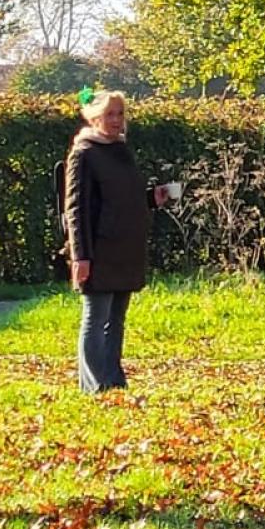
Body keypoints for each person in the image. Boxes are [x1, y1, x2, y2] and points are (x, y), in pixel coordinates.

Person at [62, 91, 175, 394]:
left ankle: (113, 381)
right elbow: (76, 208)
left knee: (116, 320)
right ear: (95, 117)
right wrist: (80, 256)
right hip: (98, 248)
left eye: (120, 114)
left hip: (126, 247)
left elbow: (123, 197)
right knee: (96, 318)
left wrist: (152, 198)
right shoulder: (84, 153)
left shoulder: (122, 150)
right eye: (110, 114)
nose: (116, 120)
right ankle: (94, 385)